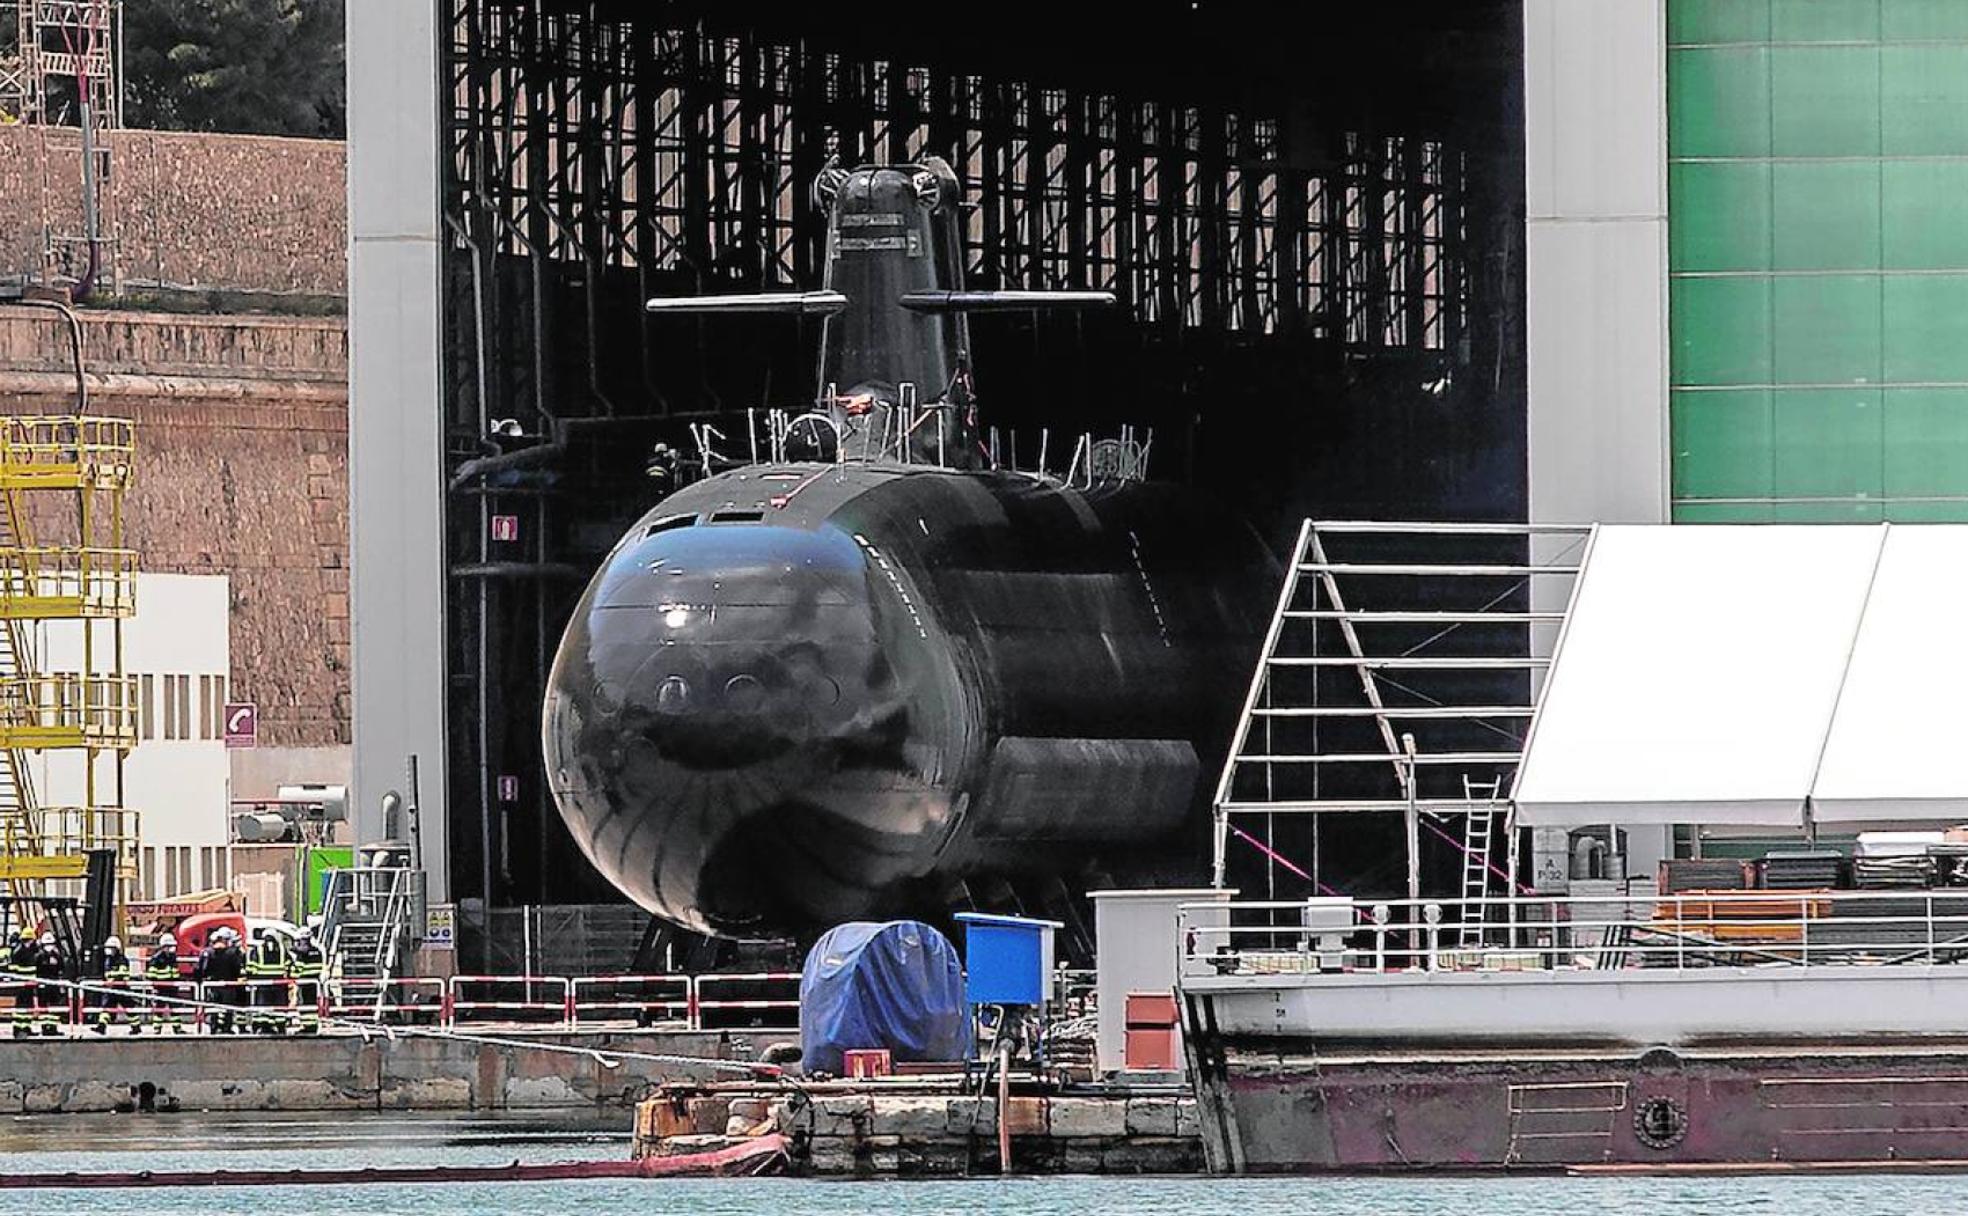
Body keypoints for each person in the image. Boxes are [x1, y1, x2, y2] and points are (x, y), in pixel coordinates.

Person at [195, 927, 246, 1034]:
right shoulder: (232, 953)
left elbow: (200, 970)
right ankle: (226, 1028)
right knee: (228, 1008)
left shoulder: (207, 952)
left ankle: (214, 1027)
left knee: (214, 1007)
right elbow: (237, 968)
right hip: (229, 985)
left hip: (212, 985)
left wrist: (201, 981)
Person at [245, 928, 291, 1034]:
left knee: (263, 1005)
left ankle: (264, 1026)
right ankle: (281, 1026)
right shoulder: (282, 949)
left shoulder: (258, 949)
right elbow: (288, 963)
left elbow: (251, 967)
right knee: (280, 1005)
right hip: (279, 983)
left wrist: (252, 978)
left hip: (263, 983)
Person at [144, 932, 185, 1034]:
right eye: (170, 946)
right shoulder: (157, 958)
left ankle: (177, 1028)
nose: (172, 948)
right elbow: (151, 974)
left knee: (175, 1008)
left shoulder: (172, 957)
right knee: (159, 1009)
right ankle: (157, 1029)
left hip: (172, 987)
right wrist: (159, 982)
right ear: (164, 946)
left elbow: (175, 971)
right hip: (161, 988)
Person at [93, 936, 134, 1034]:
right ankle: (101, 1027)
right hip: (112, 988)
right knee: (107, 1008)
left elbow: (123, 973)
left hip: (122, 988)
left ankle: (136, 1027)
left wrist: (113, 976)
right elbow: (106, 974)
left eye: (111, 948)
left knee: (129, 1008)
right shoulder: (108, 960)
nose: (109, 950)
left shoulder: (122, 959)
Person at [288, 925, 324, 1034]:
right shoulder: (318, 951)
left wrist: (291, 970)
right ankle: (313, 1026)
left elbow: (297, 971)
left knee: (305, 1005)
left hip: (304, 982)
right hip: (315, 982)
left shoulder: (302, 955)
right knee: (312, 1005)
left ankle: (307, 1026)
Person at [32, 931, 64, 1036]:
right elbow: (36, 971)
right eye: (47, 945)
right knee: (43, 1007)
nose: (49, 947)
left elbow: (61, 969)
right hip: (42, 985)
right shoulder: (38, 957)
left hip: (54, 985)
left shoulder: (57, 956)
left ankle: (53, 1028)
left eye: (51, 944)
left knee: (54, 1007)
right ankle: (45, 1028)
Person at [6, 926, 36, 1038]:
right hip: (22, 984)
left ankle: (26, 1027)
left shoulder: (29, 951)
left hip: (29, 984)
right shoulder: (19, 952)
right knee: (20, 1007)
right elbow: (14, 970)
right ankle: (18, 1028)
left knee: (28, 1007)